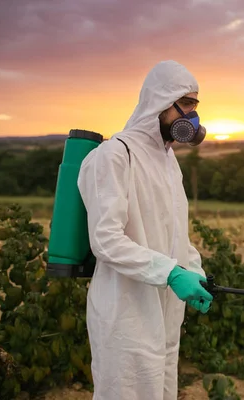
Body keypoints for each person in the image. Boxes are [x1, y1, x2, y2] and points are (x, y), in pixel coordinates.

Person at [77, 60, 214, 400]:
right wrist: (169, 272)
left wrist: (192, 270)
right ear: (159, 101)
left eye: (194, 107)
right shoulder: (114, 155)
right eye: (185, 105)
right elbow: (106, 240)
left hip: (166, 314)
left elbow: (174, 234)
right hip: (126, 313)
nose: (191, 118)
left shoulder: (169, 162)